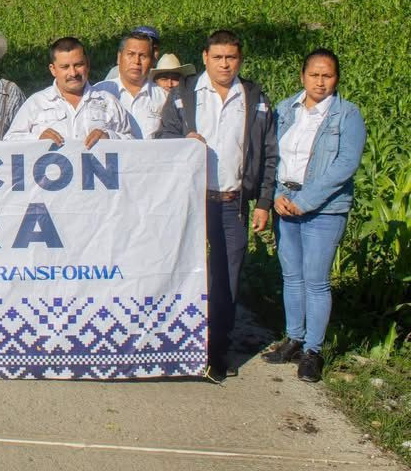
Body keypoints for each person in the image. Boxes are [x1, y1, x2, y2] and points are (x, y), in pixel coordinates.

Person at [156, 29, 277, 380]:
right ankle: (179, 342)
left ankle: (217, 349)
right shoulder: (184, 96)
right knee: (183, 274)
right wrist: (183, 141)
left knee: (226, 278)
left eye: (231, 57)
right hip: (191, 202)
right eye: (218, 57)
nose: (225, 64)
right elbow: (163, 139)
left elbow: (269, 152)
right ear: (205, 58)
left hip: (232, 202)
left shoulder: (254, 98)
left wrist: (263, 201)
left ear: (239, 60)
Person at [262, 49, 365, 382]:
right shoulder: (285, 109)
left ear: (336, 79)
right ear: (302, 76)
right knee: (291, 276)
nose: (320, 82)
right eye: (314, 75)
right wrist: (277, 194)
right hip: (285, 201)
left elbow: (345, 165)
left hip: (324, 207)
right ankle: (293, 337)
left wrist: (306, 200)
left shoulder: (347, 115)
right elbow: (272, 154)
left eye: (328, 76)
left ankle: (313, 350)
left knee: (316, 280)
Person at [5, 37, 133, 146]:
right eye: (65, 67)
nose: (73, 73)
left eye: (78, 65)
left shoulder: (108, 101)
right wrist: (37, 139)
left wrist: (109, 136)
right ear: (53, 69)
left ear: (87, 65)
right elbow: (9, 142)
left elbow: (133, 143)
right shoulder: (36, 103)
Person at [93, 30, 167, 139]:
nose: (136, 61)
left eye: (143, 56)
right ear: (119, 57)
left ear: (152, 61)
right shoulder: (98, 93)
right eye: (131, 54)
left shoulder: (163, 97)